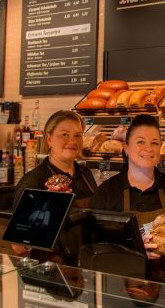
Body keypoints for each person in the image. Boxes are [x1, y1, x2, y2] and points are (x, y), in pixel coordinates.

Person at [90, 114, 165, 284]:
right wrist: (134, 248)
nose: (148, 148)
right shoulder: (107, 192)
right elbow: (94, 246)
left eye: (155, 143)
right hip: (120, 287)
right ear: (126, 148)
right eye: (140, 142)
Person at [12, 110, 97, 264]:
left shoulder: (85, 174)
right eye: (64, 134)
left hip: (88, 265)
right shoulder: (33, 182)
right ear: (49, 139)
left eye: (77, 135)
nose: (72, 141)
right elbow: (18, 246)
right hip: (52, 269)